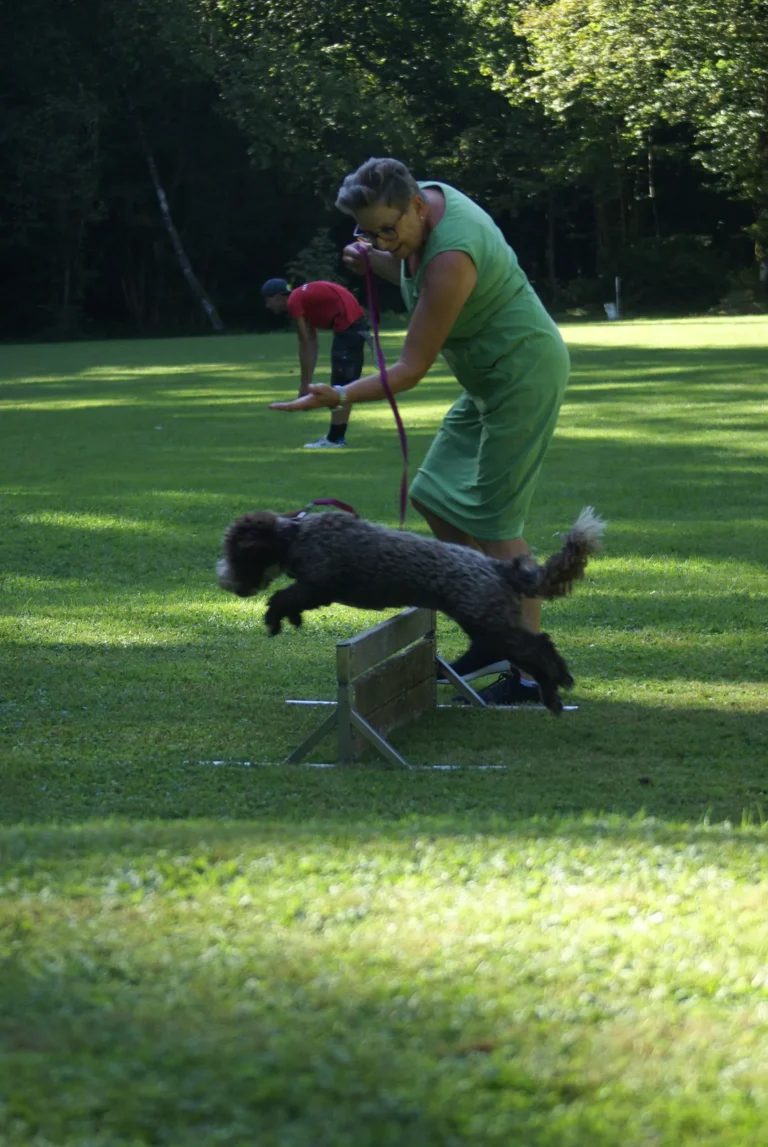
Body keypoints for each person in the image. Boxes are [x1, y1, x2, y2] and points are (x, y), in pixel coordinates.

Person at [269, 159, 570, 705]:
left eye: (389, 229)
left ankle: (527, 671)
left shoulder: (453, 255)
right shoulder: (422, 211)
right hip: (485, 378)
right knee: (434, 496)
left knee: (497, 521)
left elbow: (409, 370)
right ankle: (488, 627)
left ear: (414, 206)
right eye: (367, 232)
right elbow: (407, 264)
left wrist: (337, 395)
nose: (383, 240)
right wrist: (376, 256)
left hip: (523, 373)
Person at [261, 277, 372, 448]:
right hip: (352, 326)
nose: (268, 306)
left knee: (341, 386)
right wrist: (306, 382)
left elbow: (305, 344)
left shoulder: (294, 302)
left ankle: (335, 440)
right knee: (342, 386)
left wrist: (304, 385)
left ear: (278, 296)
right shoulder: (302, 299)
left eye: (268, 300)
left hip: (348, 327)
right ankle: (335, 437)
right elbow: (312, 342)